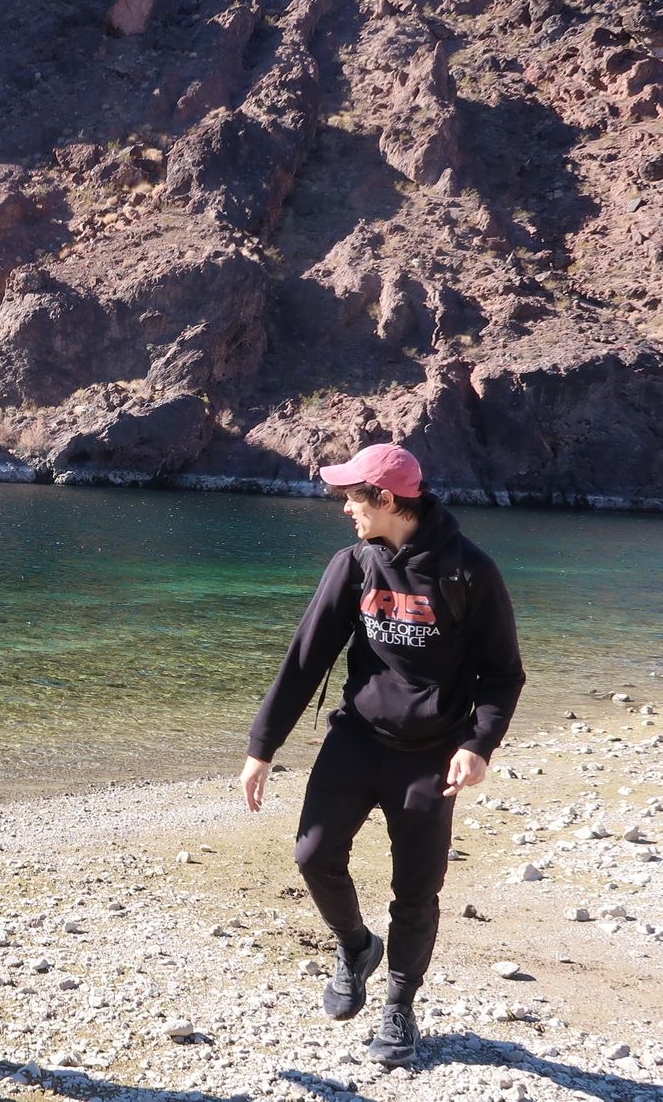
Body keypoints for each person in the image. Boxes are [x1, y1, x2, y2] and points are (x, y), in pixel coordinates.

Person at [239, 443, 525, 1068]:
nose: (345, 508)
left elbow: (504, 674)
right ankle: (354, 946)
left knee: (416, 893)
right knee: (313, 854)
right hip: (356, 739)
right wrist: (263, 747)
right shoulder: (354, 565)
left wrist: (479, 745)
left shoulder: (469, 572)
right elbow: (305, 657)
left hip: (430, 755)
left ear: (388, 501)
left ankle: (400, 1007)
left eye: (353, 497)